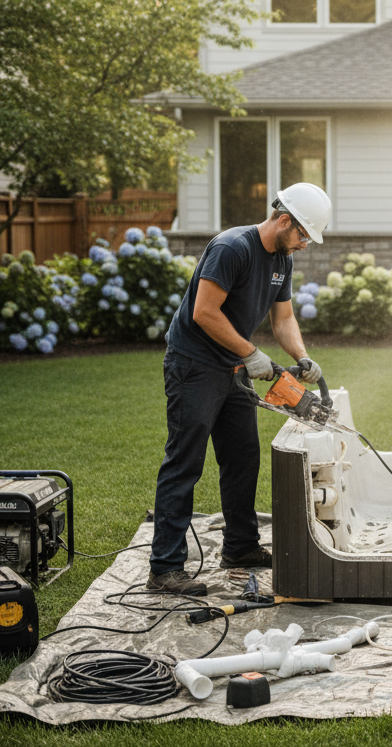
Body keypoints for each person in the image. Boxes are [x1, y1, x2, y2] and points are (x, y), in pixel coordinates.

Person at [146, 183, 332, 595]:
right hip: (193, 365)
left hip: (232, 368)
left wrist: (302, 357)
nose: (304, 244)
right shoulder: (232, 248)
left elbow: (282, 319)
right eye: (303, 234)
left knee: (243, 457)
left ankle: (240, 547)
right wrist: (252, 354)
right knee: (185, 462)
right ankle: (164, 568)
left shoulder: (281, 260)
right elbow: (204, 313)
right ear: (285, 221)